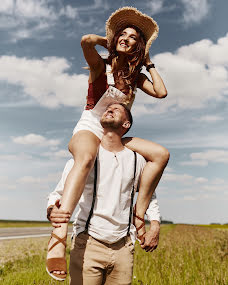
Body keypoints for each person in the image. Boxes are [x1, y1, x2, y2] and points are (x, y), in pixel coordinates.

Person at [46, 6, 169, 280]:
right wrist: (112, 45)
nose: (127, 37)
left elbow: (161, 92)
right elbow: (86, 41)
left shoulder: (136, 78)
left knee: (160, 154)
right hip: (91, 127)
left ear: (140, 45)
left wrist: (148, 62)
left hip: (114, 135)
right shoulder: (100, 66)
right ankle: (58, 235)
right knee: (87, 158)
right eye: (123, 33)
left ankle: (139, 213)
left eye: (134, 37)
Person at [47, 103, 161, 284]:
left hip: (123, 247)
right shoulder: (85, 155)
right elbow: (59, 193)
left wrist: (154, 224)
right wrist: (52, 209)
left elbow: (149, 193)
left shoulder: (136, 159)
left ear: (126, 124)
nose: (109, 109)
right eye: (108, 108)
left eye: (117, 109)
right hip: (88, 243)